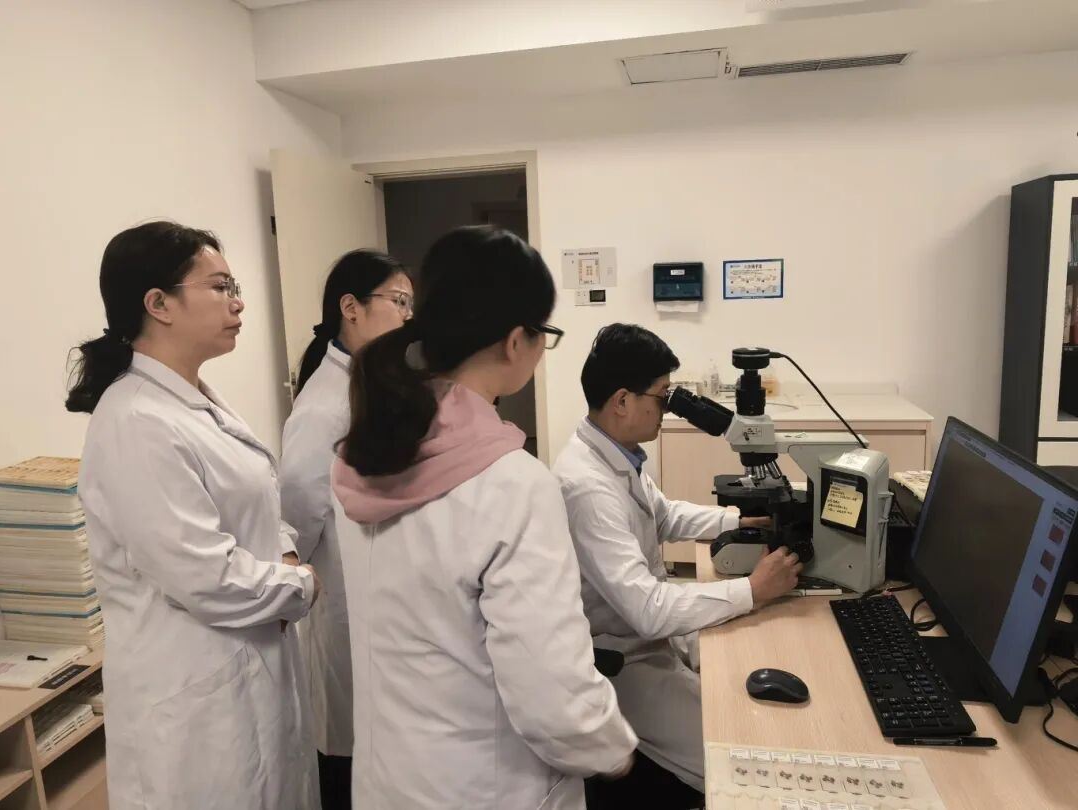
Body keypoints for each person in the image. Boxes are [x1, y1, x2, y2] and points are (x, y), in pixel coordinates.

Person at [331, 225, 637, 809]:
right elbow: (552, 695)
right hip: (487, 788)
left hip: (389, 781)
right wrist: (611, 747)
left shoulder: (361, 458)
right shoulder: (512, 484)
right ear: (517, 341)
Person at [68, 221, 321, 810]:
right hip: (194, 695)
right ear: (158, 304)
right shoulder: (137, 421)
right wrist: (302, 584)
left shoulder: (194, 401)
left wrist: (285, 553)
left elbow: (257, 503)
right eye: (220, 286)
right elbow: (203, 576)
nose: (238, 302)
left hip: (250, 666)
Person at [552, 323, 802, 794]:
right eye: (662, 396)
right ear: (622, 401)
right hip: (623, 663)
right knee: (745, 756)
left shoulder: (616, 455)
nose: (667, 409)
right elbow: (649, 611)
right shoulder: (586, 487)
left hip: (653, 640)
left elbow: (664, 515)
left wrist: (737, 520)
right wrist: (752, 589)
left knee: (749, 669)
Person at [280, 249, 412, 809]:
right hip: (342, 605)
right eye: (398, 301)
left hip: (381, 599)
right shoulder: (323, 408)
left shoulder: (371, 383)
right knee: (349, 757)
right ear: (351, 307)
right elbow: (296, 521)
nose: (407, 315)